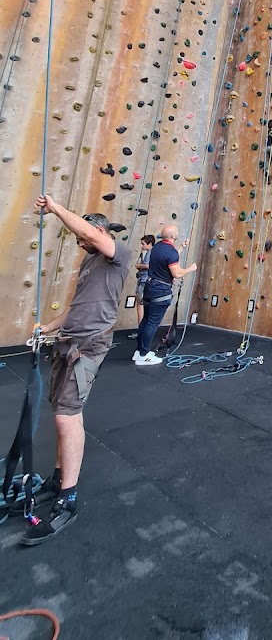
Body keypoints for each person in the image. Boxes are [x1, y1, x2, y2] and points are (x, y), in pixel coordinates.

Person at [22, 195, 132, 545]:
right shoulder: (89, 263)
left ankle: (68, 499)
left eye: (82, 237)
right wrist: (48, 328)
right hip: (67, 341)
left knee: (67, 415)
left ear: (99, 231)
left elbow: (90, 234)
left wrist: (55, 208)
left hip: (90, 344)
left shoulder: (118, 253)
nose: (79, 243)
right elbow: (75, 307)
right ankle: (58, 479)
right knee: (60, 411)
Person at [133, 225, 197, 365]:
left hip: (150, 287)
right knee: (152, 323)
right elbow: (177, 273)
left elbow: (167, 259)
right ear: (173, 236)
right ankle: (143, 355)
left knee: (146, 320)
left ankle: (139, 351)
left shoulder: (157, 247)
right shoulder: (170, 252)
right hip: (161, 290)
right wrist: (191, 269)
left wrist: (181, 248)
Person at [133, 234, 155, 330]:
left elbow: (147, 265)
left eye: (143, 244)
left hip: (144, 280)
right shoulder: (149, 253)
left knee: (140, 304)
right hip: (145, 280)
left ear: (149, 244)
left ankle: (140, 328)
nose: (141, 246)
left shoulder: (150, 253)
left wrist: (138, 265)